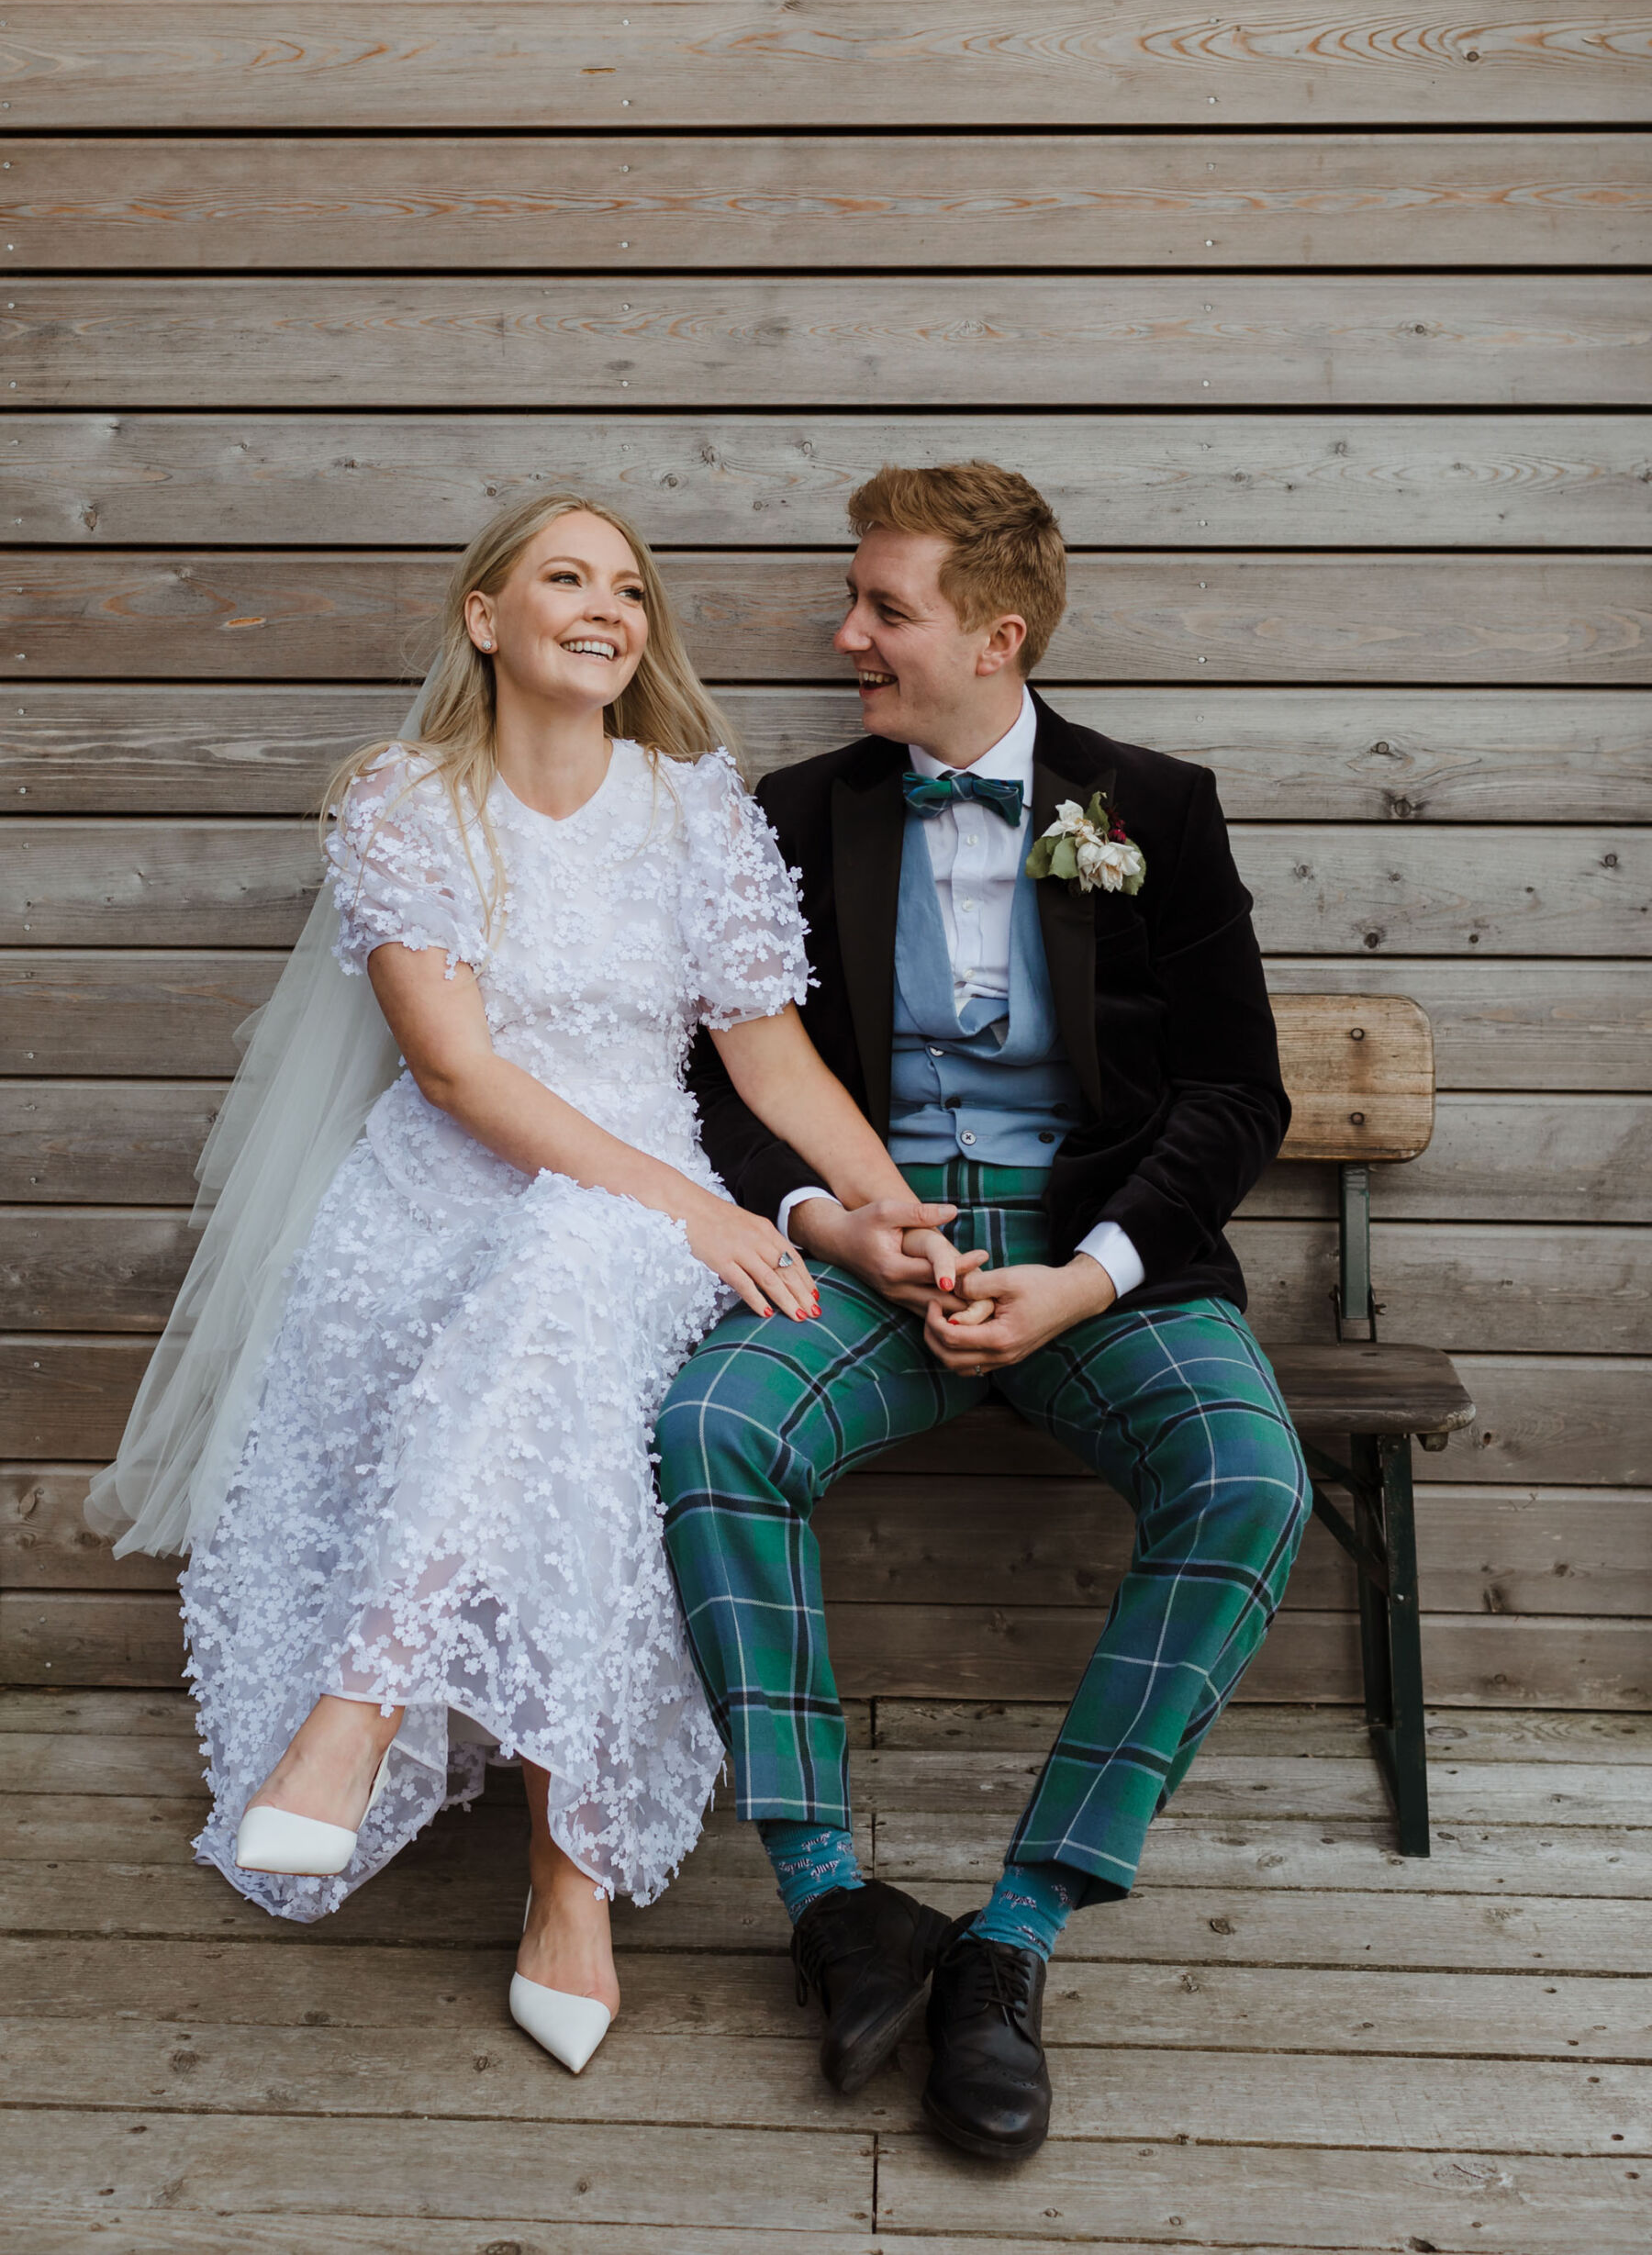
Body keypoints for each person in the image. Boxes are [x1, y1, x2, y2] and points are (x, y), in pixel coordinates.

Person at [87, 492, 956, 2077]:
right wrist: (697, 1214)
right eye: (565, 576)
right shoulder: (401, 802)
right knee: (572, 1341)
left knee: (574, 1277)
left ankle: (357, 1715)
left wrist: (894, 1216)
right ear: (485, 617)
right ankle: (571, 1889)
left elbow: (769, 1057)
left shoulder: (692, 807)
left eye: (629, 586)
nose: (606, 606)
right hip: (441, 1204)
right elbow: (463, 1078)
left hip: (633, 1213)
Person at [655, 461, 1312, 2160]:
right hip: (878, 1254)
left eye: (884, 608)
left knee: (1251, 1482)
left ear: (996, 636)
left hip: (1104, 1264)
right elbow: (720, 1086)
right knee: (712, 1426)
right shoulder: (790, 812)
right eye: (854, 601)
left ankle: (1014, 1937)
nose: (845, 633)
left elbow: (1238, 1097)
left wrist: (1085, 1274)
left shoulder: (1151, 807)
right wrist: (828, 1221)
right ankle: (832, 1905)